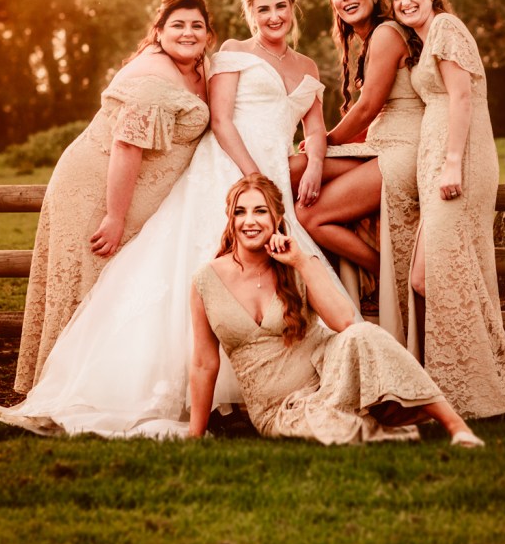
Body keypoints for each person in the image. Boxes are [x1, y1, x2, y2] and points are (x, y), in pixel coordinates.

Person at [0, 0, 345, 438]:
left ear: (294, 9)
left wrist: (312, 163)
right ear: (248, 15)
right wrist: (254, 176)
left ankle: (266, 383)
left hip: (273, 178)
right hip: (233, 168)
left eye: (280, 7)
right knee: (190, 265)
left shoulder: (304, 68)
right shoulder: (229, 56)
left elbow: (313, 126)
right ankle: (180, 392)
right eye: (262, 8)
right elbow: (221, 122)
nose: (273, 16)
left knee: (273, 269)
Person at [189, 173, 485, 447]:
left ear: (278, 218)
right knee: (331, 429)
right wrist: (195, 435)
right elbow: (204, 364)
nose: (249, 221)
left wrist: (300, 263)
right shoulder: (206, 281)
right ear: (230, 218)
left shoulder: (300, 264)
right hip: (279, 408)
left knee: (365, 334)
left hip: (331, 374)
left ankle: (456, 427)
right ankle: (383, 425)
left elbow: (344, 321)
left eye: (260, 211)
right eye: (240, 212)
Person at [15, 0, 213, 392]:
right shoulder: (153, 77)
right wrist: (115, 216)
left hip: (125, 194)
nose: (188, 32)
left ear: (209, 34)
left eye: (197, 25)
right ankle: (67, 386)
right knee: (88, 284)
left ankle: (103, 381)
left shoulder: (198, 67)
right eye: (177, 25)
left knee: (115, 285)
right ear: (158, 32)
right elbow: (126, 145)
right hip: (93, 191)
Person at [384, 0, 505, 419]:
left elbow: (461, 97)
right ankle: (489, 381)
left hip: (459, 161)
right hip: (437, 161)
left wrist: (452, 163)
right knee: (429, 275)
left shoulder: (446, 29)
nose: (405, 2)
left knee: (441, 274)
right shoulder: (426, 39)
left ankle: (485, 390)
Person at [291, 0, 423, 344]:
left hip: (404, 151)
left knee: (310, 214)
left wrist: (326, 141)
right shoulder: (366, 42)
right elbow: (365, 116)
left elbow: (367, 107)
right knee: (295, 169)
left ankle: (385, 272)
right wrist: (318, 150)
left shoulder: (386, 33)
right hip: (381, 145)